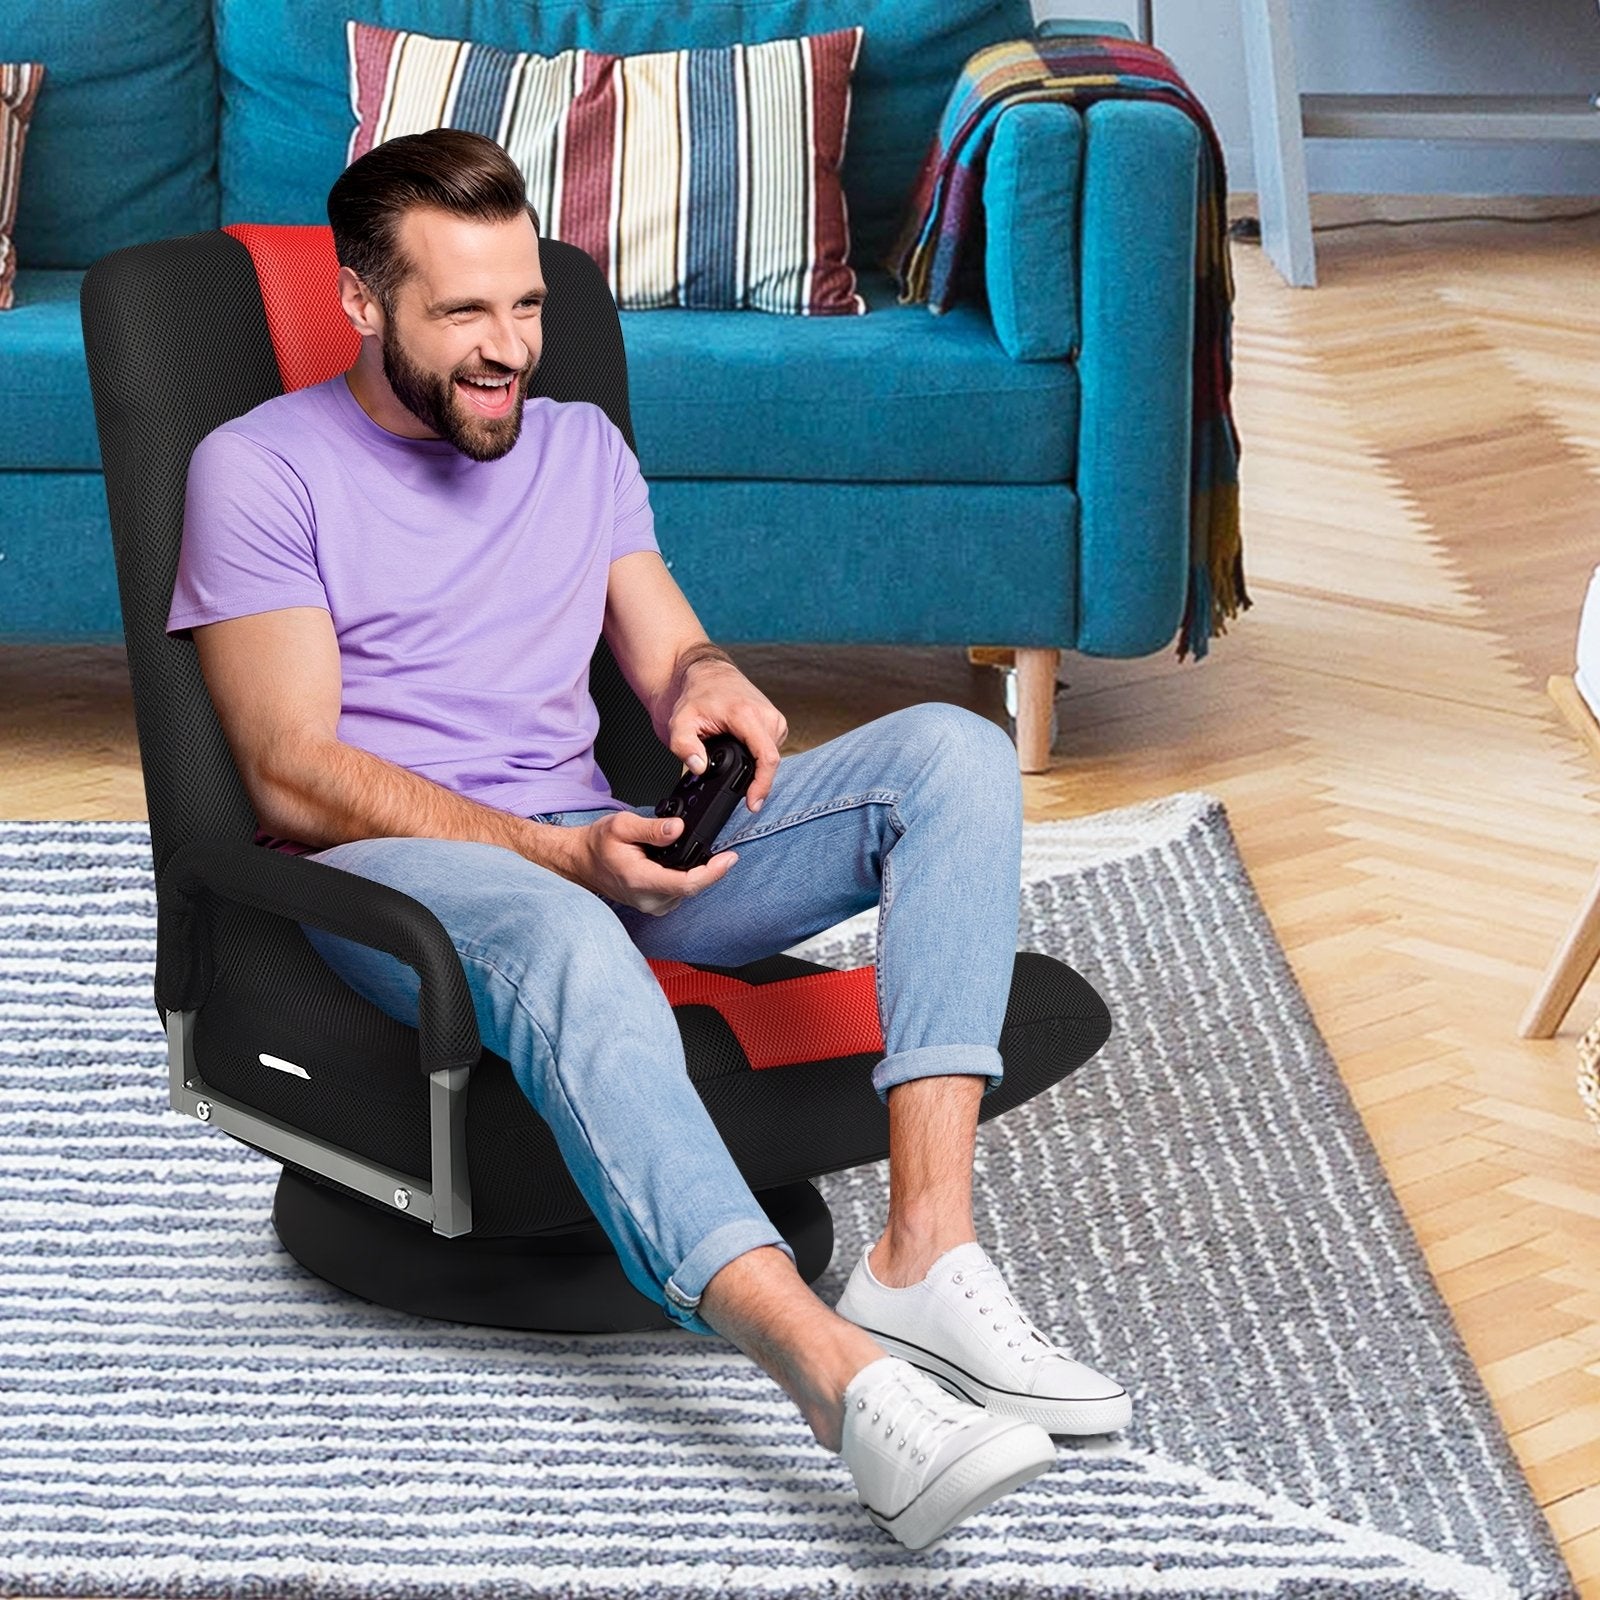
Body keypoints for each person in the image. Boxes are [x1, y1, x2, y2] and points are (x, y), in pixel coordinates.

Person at [165, 127, 1130, 1550]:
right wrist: (557, 860)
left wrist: (711, 687)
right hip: (403, 880)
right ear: (365, 305)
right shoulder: (261, 469)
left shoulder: (579, 446)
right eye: (462, 315)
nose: (508, 351)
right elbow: (295, 774)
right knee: (560, 920)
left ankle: (926, 1250)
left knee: (952, 755)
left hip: (596, 844)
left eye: (528, 307)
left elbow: (668, 646)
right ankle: (836, 1379)